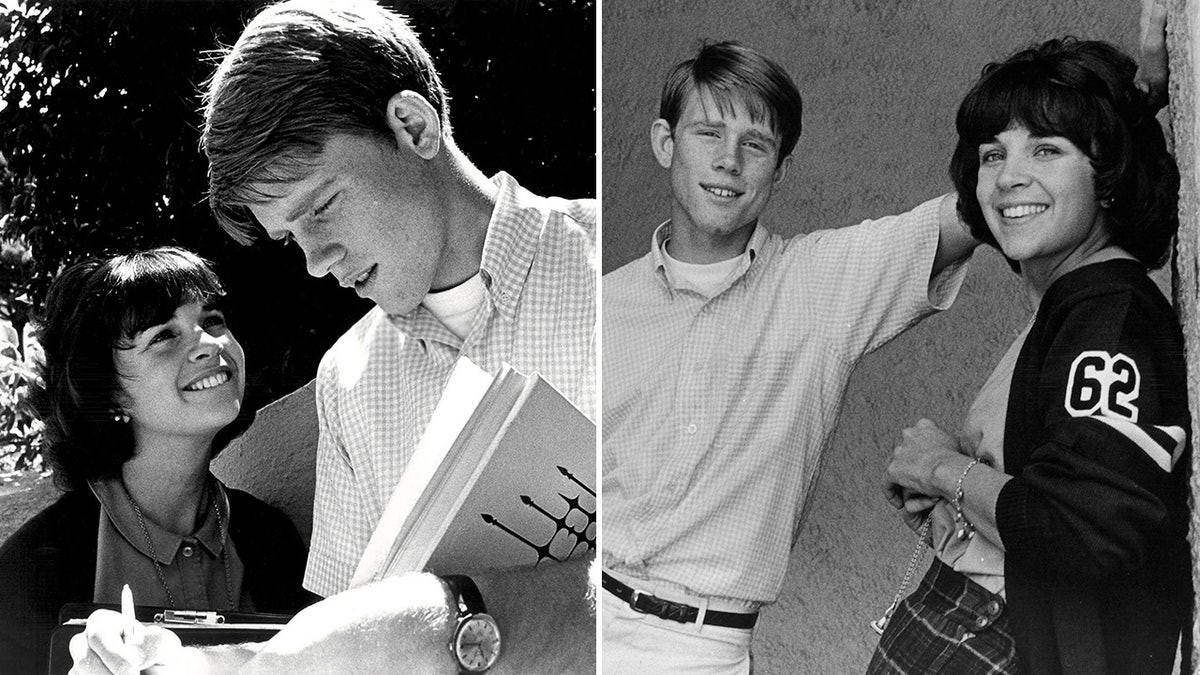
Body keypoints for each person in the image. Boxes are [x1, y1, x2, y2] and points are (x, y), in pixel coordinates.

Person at [70, 0, 596, 672]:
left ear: (413, 125)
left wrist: (450, 622)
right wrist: (194, 663)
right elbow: (338, 644)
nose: (316, 261)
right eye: (291, 237)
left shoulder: (621, 276)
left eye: (321, 206)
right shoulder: (349, 378)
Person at [601, 41, 978, 673]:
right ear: (666, 143)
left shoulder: (819, 284)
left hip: (702, 649)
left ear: (781, 170)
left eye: (755, 144)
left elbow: (975, 210)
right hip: (590, 614)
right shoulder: (604, 306)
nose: (728, 161)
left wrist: (1111, 115)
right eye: (708, 132)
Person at [871, 36, 1190, 674]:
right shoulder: (1073, 301)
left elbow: (1081, 530)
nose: (1009, 176)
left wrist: (942, 471)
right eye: (994, 153)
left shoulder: (1109, 314)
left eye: (1047, 149)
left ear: (1108, 175)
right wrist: (959, 494)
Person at [0, 247, 313, 675]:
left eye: (213, 320)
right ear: (107, 390)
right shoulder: (27, 570)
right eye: (164, 335)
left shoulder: (271, 536)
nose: (209, 344)